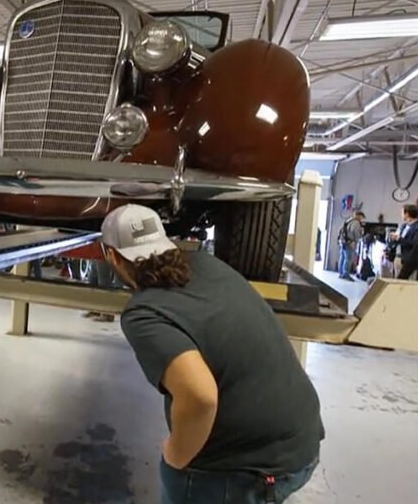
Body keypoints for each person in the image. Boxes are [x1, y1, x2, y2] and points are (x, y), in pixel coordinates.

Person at [100, 204, 324, 504]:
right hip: (303, 443)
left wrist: (176, 455)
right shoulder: (208, 265)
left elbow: (200, 396)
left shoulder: (143, 312)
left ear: (111, 256)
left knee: (176, 473)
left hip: (245, 470)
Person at [389, 204, 418, 280]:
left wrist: (400, 239)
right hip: (398, 258)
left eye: (402, 213)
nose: (401, 215)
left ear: (407, 214)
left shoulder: (416, 227)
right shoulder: (403, 226)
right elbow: (398, 240)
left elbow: (414, 244)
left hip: (411, 260)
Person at [337, 210, 365, 280]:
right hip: (350, 242)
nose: (361, 219)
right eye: (361, 217)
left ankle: (341, 273)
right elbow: (355, 232)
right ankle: (346, 274)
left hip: (343, 241)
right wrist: (357, 239)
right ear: (358, 216)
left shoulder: (348, 220)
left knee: (342, 257)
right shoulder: (356, 223)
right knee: (348, 259)